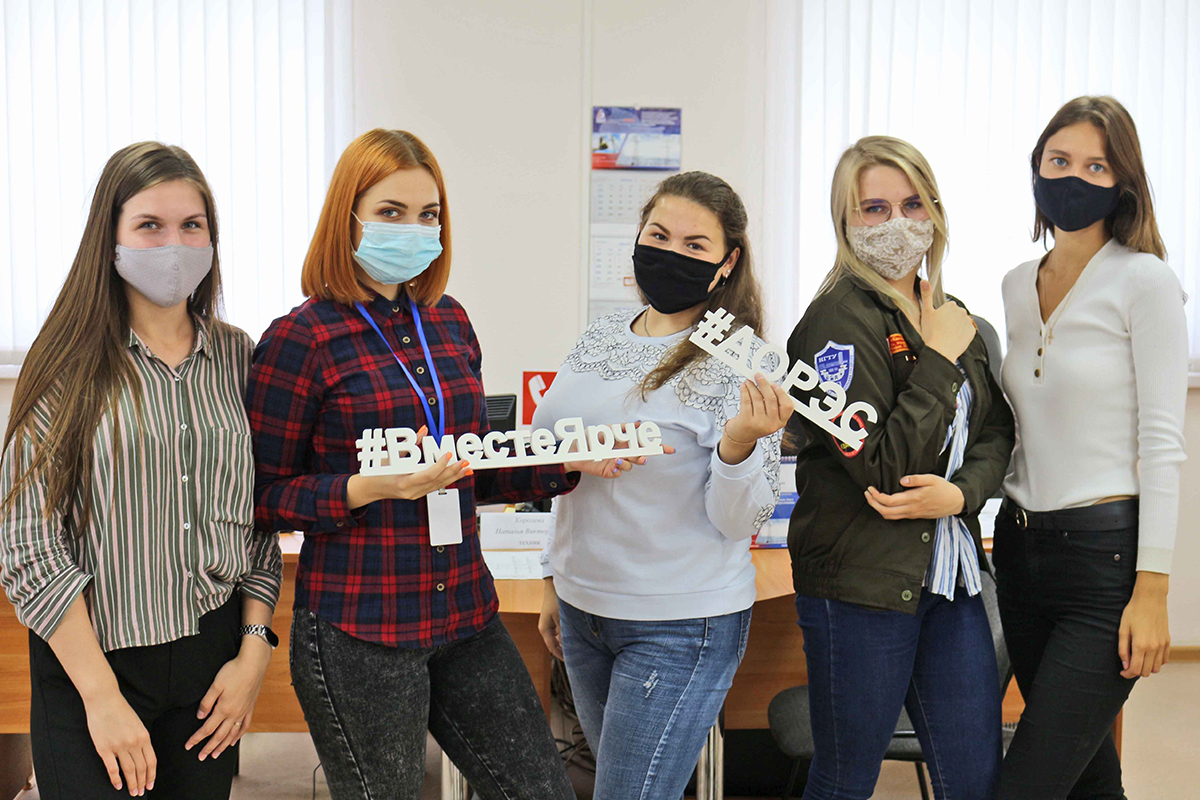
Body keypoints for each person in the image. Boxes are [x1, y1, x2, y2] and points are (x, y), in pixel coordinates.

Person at [246, 128, 631, 800]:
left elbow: (471, 466)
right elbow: (264, 496)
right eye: (391, 212)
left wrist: (567, 460)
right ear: (348, 217)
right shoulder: (302, 337)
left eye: (428, 215)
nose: (414, 230)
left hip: (465, 614)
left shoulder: (449, 322)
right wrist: (365, 488)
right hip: (361, 627)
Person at [0, 142, 282, 800]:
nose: (174, 244)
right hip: (92, 664)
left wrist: (254, 652)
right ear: (111, 239)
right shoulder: (64, 364)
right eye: (149, 225)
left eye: (192, 225)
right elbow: (28, 542)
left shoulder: (241, 358)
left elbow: (259, 519)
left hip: (212, 660)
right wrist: (101, 697)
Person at [535, 171, 789, 799]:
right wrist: (551, 579)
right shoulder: (599, 336)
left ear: (727, 262)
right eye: (658, 235)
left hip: (679, 623)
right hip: (583, 610)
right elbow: (552, 464)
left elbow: (740, 521)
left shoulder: (746, 361)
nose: (670, 253)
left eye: (694, 245)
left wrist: (738, 444)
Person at [784, 136, 1015, 800]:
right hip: (861, 586)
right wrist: (938, 361)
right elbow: (884, 471)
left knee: (974, 779)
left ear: (935, 212)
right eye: (874, 208)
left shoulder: (951, 316)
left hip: (951, 578)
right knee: (847, 779)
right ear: (846, 221)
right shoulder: (833, 323)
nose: (897, 223)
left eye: (912, 205)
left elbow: (997, 433)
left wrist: (960, 495)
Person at [995, 96, 1188, 800]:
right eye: (1059, 160)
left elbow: (1162, 444)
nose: (1073, 177)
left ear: (1122, 183)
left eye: (1096, 166)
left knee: (1027, 783)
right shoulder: (1017, 285)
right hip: (1018, 553)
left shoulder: (1146, 281)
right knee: (1086, 781)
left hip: (1102, 564)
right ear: (1036, 169)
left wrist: (1153, 590)